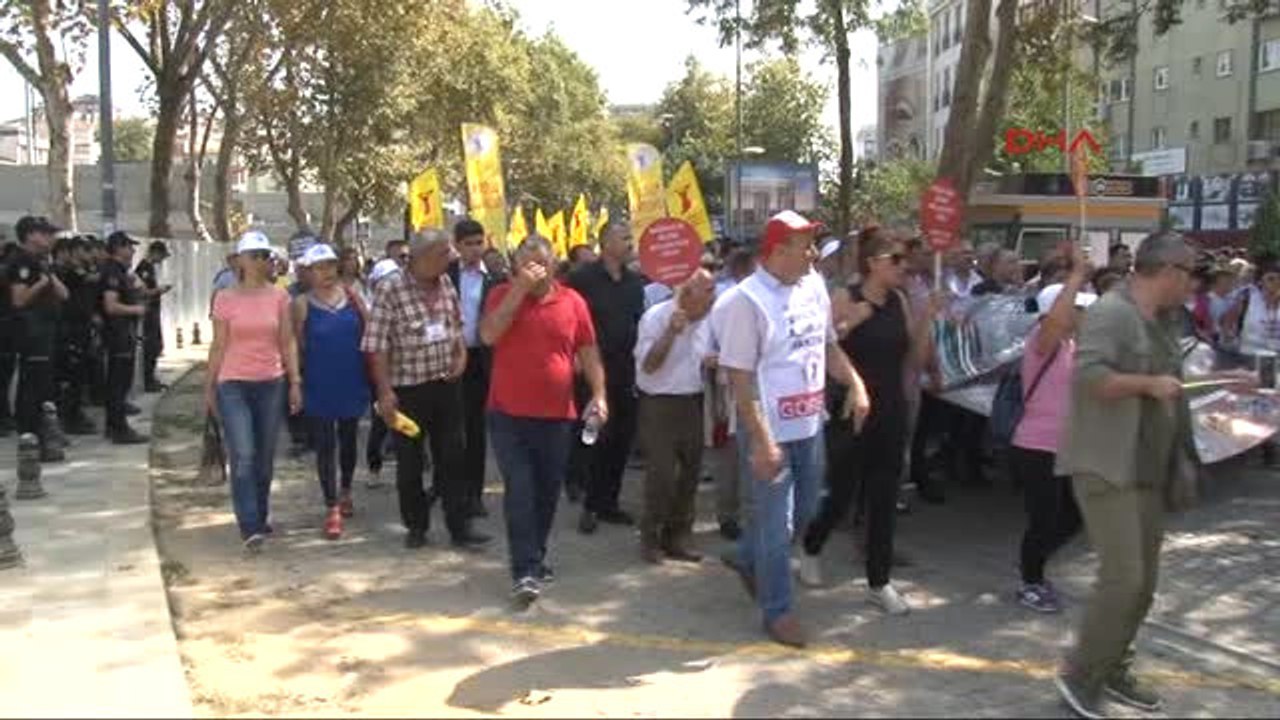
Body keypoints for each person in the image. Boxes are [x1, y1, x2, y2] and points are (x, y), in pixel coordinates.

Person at [1053, 232, 1198, 719]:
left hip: (1148, 467)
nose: (1193, 285)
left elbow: (1173, 388)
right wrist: (1147, 384)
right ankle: (1080, 674)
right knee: (1123, 579)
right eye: (1190, 274)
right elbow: (1089, 377)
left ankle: (1113, 666)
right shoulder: (1111, 313)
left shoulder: (1165, 321)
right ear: (1169, 271)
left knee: (1144, 584)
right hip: (1106, 464)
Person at [717, 211, 870, 648]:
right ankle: (778, 611)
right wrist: (762, 441)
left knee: (803, 514)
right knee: (776, 524)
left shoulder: (813, 285)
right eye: (806, 246)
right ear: (778, 251)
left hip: (810, 425)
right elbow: (740, 379)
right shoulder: (745, 302)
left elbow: (827, 345)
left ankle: (748, 558)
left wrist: (856, 384)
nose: (814, 253)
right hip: (768, 431)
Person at [800, 228, 932, 616]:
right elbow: (822, 347)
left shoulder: (899, 301)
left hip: (891, 406)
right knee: (841, 493)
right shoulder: (846, 296)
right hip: (852, 409)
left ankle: (879, 581)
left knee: (884, 495)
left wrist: (928, 318)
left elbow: (914, 359)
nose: (904, 267)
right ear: (873, 263)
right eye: (896, 260)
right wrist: (851, 323)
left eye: (905, 260)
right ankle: (811, 545)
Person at [480, 234, 606, 608]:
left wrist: (599, 395)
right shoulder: (501, 295)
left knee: (548, 492)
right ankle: (525, 570)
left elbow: (588, 350)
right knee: (520, 491)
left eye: (541, 263)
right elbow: (488, 335)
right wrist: (518, 291)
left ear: (554, 265)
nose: (535, 270)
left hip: (556, 416)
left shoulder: (573, 301)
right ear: (516, 266)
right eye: (527, 263)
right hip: (507, 415)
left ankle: (535, 555)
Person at [363, 230, 490, 551]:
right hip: (407, 391)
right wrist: (384, 393)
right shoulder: (390, 288)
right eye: (445, 252)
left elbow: (456, 326)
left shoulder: (445, 282)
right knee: (410, 463)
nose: (452, 257)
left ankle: (459, 527)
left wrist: (460, 356)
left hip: (446, 387)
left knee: (453, 458)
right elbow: (376, 346)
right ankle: (416, 525)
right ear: (424, 257)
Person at [205, 231, 302, 553]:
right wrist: (209, 387)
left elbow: (287, 341)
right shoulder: (225, 298)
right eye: (255, 255)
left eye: (265, 255)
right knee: (244, 454)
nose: (262, 261)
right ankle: (249, 524)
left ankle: (260, 514)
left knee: (264, 457)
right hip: (233, 383)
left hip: (271, 382)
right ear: (240, 260)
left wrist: (295, 381)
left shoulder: (279, 297)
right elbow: (218, 345)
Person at [1011, 252, 1096, 614]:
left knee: (1075, 516)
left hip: (1069, 446)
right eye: (1077, 308)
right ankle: (1030, 581)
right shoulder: (1040, 343)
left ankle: (1032, 563)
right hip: (1037, 446)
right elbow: (1053, 324)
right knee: (1043, 519)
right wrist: (1076, 275)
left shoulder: (1074, 347)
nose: (1083, 314)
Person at [567, 222, 645, 533]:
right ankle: (589, 504)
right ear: (607, 243)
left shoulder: (635, 282)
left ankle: (609, 503)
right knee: (595, 436)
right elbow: (567, 318)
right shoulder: (582, 279)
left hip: (626, 370)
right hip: (592, 370)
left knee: (622, 439)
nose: (630, 243)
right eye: (624, 238)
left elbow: (639, 321)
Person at [634, 269, 716, 564]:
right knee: (662, 475)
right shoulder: (656, 316)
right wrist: (671, 332)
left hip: (692, 401)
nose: (714, 297)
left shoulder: (707, 320)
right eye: (708, 291)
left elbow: (704, 356)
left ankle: (678, 536)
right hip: (659, 404)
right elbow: (649, 366)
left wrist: (712, 361)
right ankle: (650, 536)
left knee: (690, 474)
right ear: (687, 294)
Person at [292, 244, 371, 540]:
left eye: (329, 265)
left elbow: (370, 332)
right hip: (319, 381)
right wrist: (296, 382)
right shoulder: (301, 304)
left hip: (351, 378)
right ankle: (331, 505)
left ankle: (346, 489)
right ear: (308, 272)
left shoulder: (353, 297)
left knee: (349, 438)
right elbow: (296, 345)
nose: (326, 272)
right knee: (325, 444)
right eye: (319, 267)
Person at [447, 219, 501, 518]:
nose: (475, 249)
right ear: (457, 245)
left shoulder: (495, 278)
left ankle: (474, 494)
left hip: (481, 361)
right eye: (468, 244)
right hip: (448, 358)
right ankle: (447, 488)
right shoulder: (444, 275)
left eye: (479, 243)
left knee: (475, 430)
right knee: (448, 429)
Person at [8, 216, 68, 462]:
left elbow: (64, 294)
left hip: (45, 332)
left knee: (43, 388)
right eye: (45, 233)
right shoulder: (21, 261)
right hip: (30, 333)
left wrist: (49, 276)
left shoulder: (41, 262)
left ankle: (42, 438)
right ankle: (29, 438)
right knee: (31, 389)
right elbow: (19, 299)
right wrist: (43, 282)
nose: (50, 238)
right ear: (31, 235)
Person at [98, 232, 150, 444]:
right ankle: (119, 428)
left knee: (121, 381)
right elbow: (110, 306)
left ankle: (114, 425)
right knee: (118, 383)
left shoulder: (122, 271)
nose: (133, 250)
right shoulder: (112, 271)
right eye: (129, 246)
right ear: (118, 248)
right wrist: (136, 309)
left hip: (124, 332)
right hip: (117, 333)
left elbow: (140, 290)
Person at [363, 258, 403, 489]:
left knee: (405, 421)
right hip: (379, 376)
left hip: (405, 372)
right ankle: (374, 467)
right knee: (380, 422)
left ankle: (411, 464)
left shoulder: (406, 302)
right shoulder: (370, 308)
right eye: (386, 280)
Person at [52, 236, 96, 435]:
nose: (88, 254)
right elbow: (89, 279)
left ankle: (75, 413)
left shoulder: (78, 270)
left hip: (82, 327)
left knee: (80, 375)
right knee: (71, 375)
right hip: (70, 329)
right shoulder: (67, 273)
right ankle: (69, 418)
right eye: (84, 250)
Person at [134, 240, 173, 392]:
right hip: (148, 312)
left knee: (156, 346)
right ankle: (148, 380)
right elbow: (142, 292)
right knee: (150, 346)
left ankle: (151, 377)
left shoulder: (150, 268)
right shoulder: (144, 268)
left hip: (153, 310)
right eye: (161, 256)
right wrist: (159, 290)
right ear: (155, 252)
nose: (162, 260)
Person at [0, 242, 18, 436]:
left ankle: (5, 415)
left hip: (8, 326)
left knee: (6, 374)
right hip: (4, 325)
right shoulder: (6, 271)